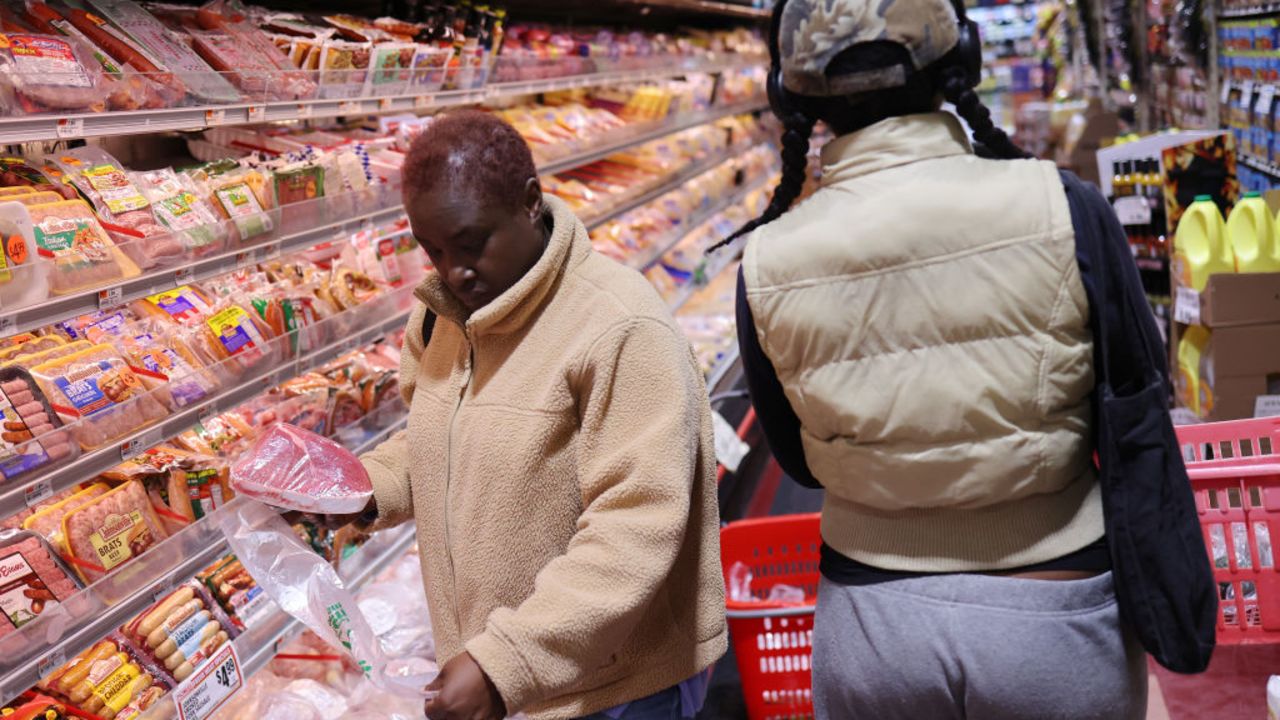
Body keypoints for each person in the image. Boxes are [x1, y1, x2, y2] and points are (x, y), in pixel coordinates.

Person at [726, 0, 1148, 717]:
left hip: (873, 623)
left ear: (789, 97)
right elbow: (1133, 400)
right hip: (1055, 605)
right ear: (964, 64)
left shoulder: (766, 260)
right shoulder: (1060, 205)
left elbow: (795, 459)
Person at [353, 109, 727, 720]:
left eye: (472, 244)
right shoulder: (442, 318)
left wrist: (507, 663)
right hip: (515, 678)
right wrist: (363, 488)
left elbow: (636, 525)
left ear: (530, 202)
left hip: (617, 691)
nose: (454, 271)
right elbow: (438, 439)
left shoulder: (619, 326)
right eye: (433, 250)